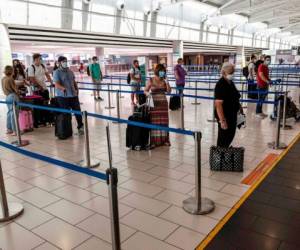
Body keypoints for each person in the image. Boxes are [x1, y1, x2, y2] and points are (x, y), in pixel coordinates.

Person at [53, 56, 84, 135]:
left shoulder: (70, 71)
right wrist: (63, 88)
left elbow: (73, 81)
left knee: (78, 112)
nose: (65, 63)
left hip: (73, 95)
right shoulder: (57, 72)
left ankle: (80, 127)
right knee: (66, 114)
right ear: (59, 63)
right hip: (63, 97)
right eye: (63, 61)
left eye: (66, 61)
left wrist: (77, 89)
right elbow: (56, 84)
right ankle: (67, 130)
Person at [214, 63, 242, 148]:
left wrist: (240, 108)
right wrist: (222, 121)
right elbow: (218, 105)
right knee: (224, 138)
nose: (232, 74)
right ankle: (220, 158)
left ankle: (224, 154)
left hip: (232, 114)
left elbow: (235, 97)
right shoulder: (221, 84)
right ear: (224, 73)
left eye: (233, 72)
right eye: (230, 72)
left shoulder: (230, 82)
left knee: (230, 135)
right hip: (225, 116)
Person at [144, 64, 171, 149]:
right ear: (157, 71)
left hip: (163, 103)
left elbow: (169, 91)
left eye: (164, 71)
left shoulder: (164, 80)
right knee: (154, 122)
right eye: (162, 71)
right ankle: (154, 142)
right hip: (153, 104)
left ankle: (165, 140)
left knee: (164, 122)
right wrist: (148, 94)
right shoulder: (151, 80)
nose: (163, 73)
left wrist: (167, 82)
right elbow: (145, 90)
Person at [2, 66, 19, 136]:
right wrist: (18, 92)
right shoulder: (10, 79)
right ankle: (15, 131)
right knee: (14, 113)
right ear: (11, 71)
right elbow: (15, 89)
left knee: (9, 113)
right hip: (12, 96)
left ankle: (9, 129)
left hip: (7, 97)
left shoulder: (3, 78)